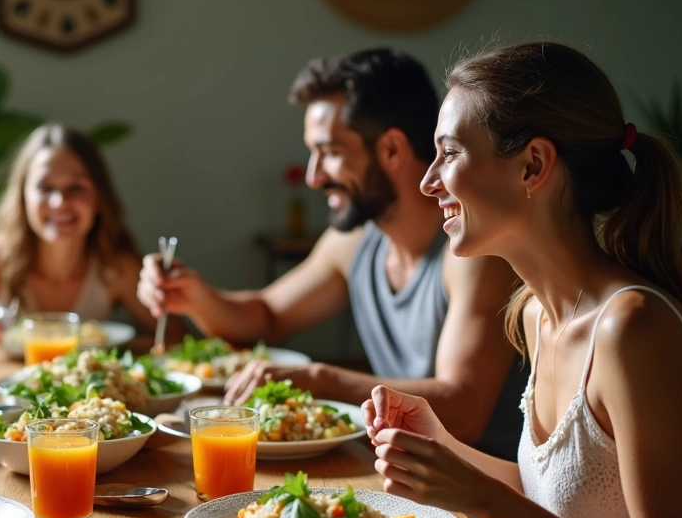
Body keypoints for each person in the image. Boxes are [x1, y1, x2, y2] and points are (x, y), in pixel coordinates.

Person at [366, 42, 682, 518]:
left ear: (533, 165)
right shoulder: (534, 312)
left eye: (449, 153)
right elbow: (554, 498)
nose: (429, 181)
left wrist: (483, 499)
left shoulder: (632, 330)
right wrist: (438, 442)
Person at [138, 48, 525, 459]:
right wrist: (193, 295)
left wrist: (321, 378)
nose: (313, 176)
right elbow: (267, 316)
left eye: (330, 152)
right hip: (403, 469)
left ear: (392, 149)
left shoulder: (472, 251)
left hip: (483, 498)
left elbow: (463, 411)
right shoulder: (356, 241)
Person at [0, 123, 180, 360]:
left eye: (76, 188)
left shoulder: (116, 266)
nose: (60, 202)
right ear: (23, 197)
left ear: (99, 199)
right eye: (45, 188)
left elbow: (176, 338)